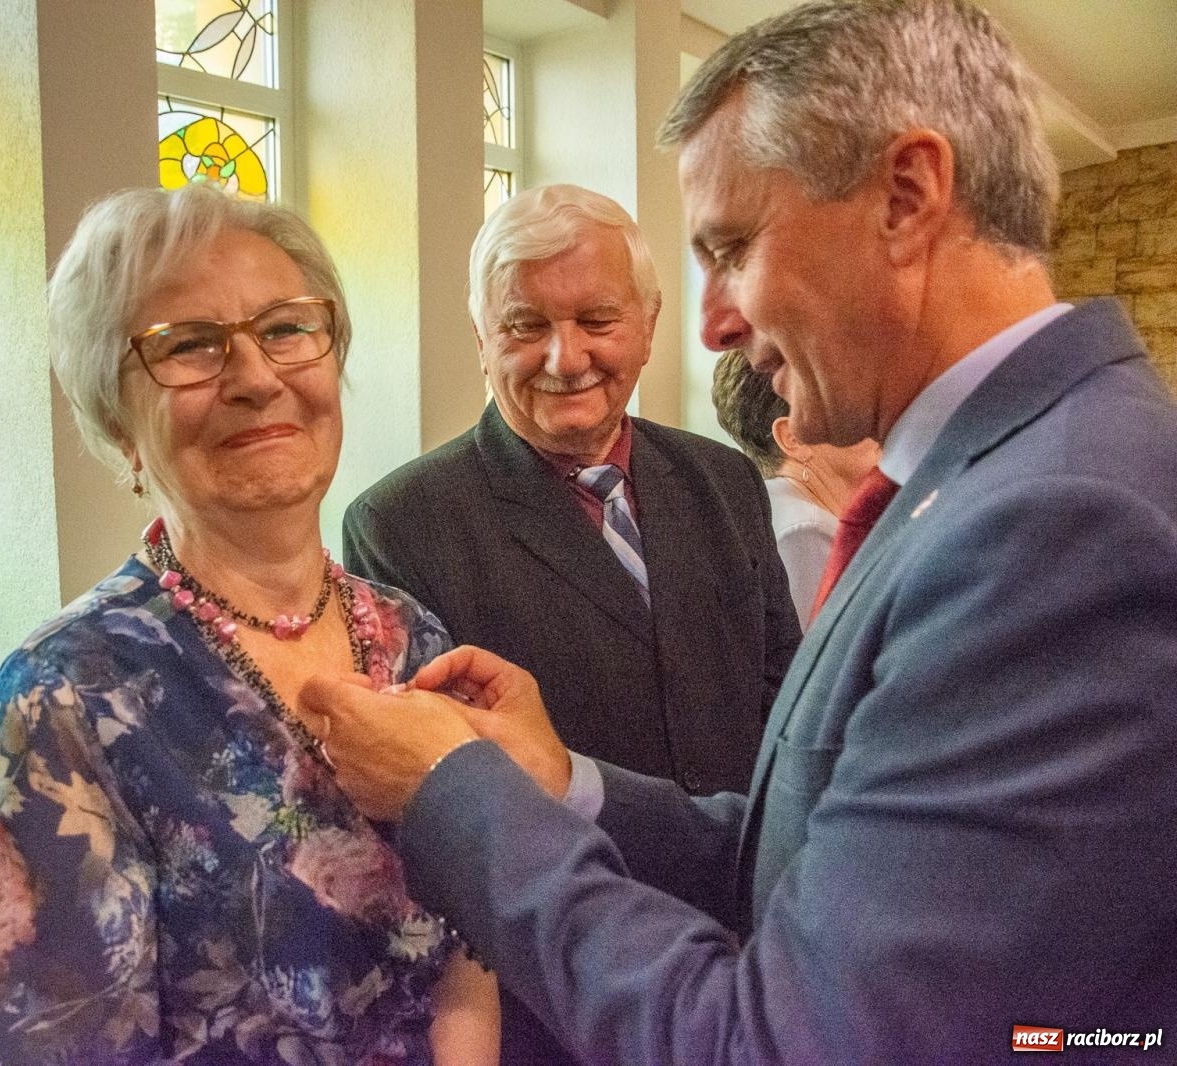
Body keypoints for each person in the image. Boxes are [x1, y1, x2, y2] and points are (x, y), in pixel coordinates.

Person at [299, 1, 1177, 1062]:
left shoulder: (1056, 525)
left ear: (906, 198)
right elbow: (815, 855)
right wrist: (564, 780)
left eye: (733, 248)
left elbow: (799, 1041)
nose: (715, 321)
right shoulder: (1013, 475)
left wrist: (455, 793)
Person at [0, 185, 497, 1064]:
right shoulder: (66, 698)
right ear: (117, 422)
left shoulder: (411, 636)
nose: (256, 378)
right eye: (188, 345)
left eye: (285, 329)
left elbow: (471, 955)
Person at [341, 184, 801, 1063]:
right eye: (525, 326)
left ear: (649, 324)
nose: (566, 357)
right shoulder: (402, 524)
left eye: (597, 319)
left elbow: (784, 710)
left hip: (756, 960)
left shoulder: (723, 480)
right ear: (482, 338)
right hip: (563, 994)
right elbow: (442, 796)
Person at [710, 349, 880, 626]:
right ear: (794, 438)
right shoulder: (805, 531)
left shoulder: (772, 503)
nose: (876, 417)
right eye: (848, 404)